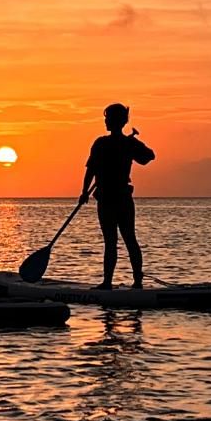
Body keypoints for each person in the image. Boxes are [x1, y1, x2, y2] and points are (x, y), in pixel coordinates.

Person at [79, 103, 155, 290]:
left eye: (108, 119)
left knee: (126, 239)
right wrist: (84, 192)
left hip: (119, 198)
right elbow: (91, 170)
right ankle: (109, 282)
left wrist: (132, 146)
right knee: (112, 241)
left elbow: (149, 156)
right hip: (107, 198)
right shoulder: (101, 143)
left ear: (117, 121)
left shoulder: (125, 143)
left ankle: (136, 281)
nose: (105, 122)